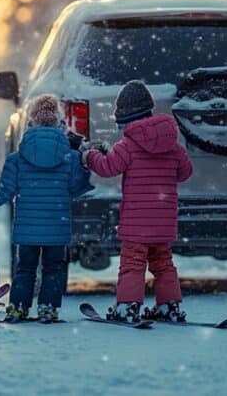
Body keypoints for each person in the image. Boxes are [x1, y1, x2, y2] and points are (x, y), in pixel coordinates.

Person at [82, 79, 193, 323]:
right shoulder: (173, 145)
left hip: (136, 224)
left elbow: (107, 167)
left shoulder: (128, 145)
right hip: (163, 222)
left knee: (132, 264)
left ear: (126, 120)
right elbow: (185, 172)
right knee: (163, 263)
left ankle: (128, 307)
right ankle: (169, 306)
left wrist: (90, 155)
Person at [0, 94, 93, 323]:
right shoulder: (69, 156)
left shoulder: (16, 158)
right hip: (57, 229)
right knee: (53, 269)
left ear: (31, 121)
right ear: (59, 121)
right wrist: (81, 162)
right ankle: (48, 308)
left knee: (25, 269)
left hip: (27, 231)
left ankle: (18, 306)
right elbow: (76, 188)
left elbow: (6, 192)